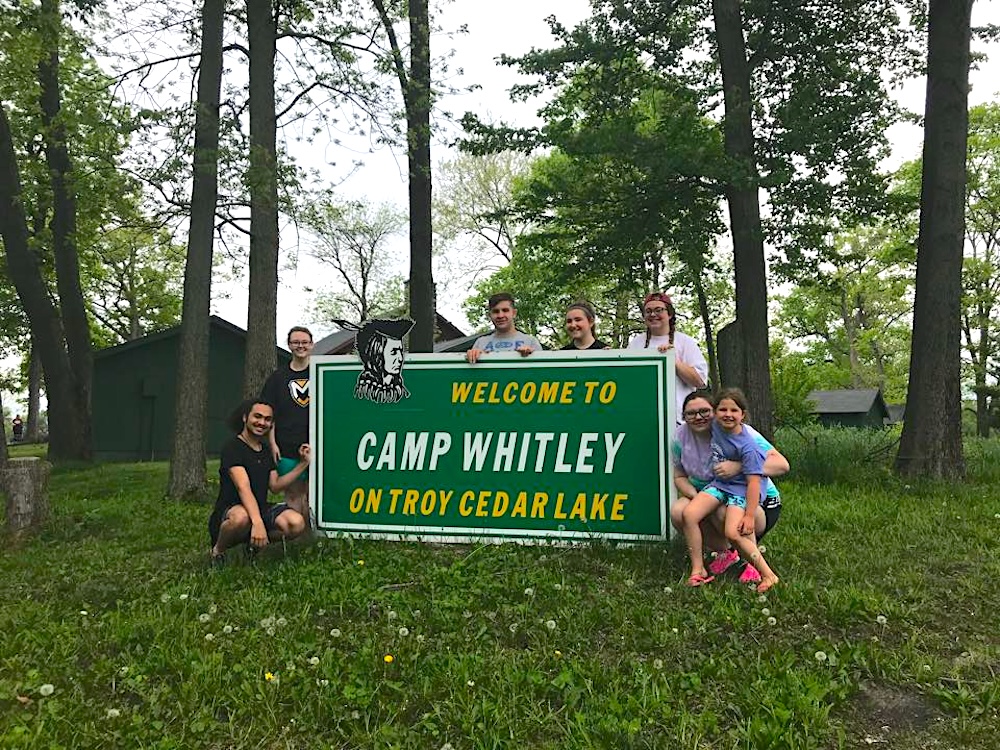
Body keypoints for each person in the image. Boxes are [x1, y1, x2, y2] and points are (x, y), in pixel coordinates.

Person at [671, 390, 788, 584]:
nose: (698, 417)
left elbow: (782, 465)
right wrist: (697, 496)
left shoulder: (742, 435)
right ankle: (702, 567)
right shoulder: (682, 436)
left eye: (704, 411)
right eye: (691, 413)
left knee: (728, 521)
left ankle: (757, 566)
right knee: (684, 512)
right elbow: (679, 475)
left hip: (755, 500)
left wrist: (739, 467)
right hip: (718, 488)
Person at [207, 400, 310, 565]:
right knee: (241, 517)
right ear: (245, 418)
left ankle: (252, 544)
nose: (262, 423)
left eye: (267, 419)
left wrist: (303, 464)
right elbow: (243, 487)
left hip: (259, 509)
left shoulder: (266, 451)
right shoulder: (233, 447)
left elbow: (275, 486)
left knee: (296, 523)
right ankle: (218, 552)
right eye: (258, 417)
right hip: (232, 510)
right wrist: (258, 522)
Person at [627, 292, 708, 421]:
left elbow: (700, 381)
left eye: (658, 310)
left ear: (669, 314)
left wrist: (673, 361)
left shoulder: (685, 342)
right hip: (644, 417)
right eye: (648, 311)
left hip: (680, 420)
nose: (653, 315)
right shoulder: (636, 344)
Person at [260, 326, 313, 520]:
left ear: (311, 344)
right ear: (289, 345)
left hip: (315, 444)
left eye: (304, 342)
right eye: (296, 342)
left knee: (312, 495)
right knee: (293, 494)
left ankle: (313, 539)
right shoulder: (277, 378)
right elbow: (268, 413)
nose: (300, 346)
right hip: (286, 445)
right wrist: (272, 443)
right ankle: (295, 539)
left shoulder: (320, 373)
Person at [466, 292, 542, 364]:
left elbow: (541, 371)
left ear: (514, 313)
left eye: (505, 310)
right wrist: (473, 355)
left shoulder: (531, 341)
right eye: (496, 311)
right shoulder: (480, 343)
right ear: (490, 315)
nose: (500, 315)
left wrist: (532, 355)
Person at [354, 318, 414, 403]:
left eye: (401, 352)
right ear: (377, 355)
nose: (400, 359)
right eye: (393, 352)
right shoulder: (363, 392)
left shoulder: (402, 391)